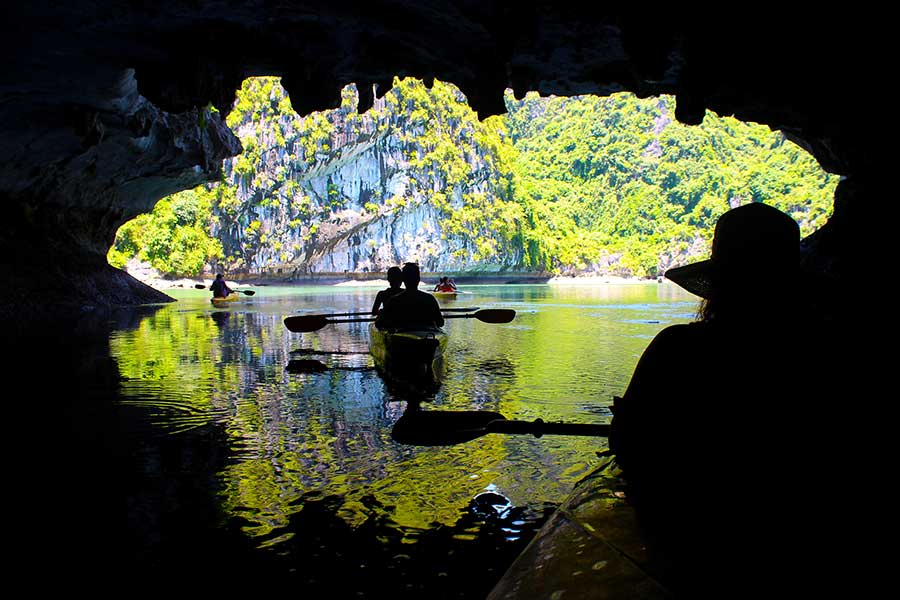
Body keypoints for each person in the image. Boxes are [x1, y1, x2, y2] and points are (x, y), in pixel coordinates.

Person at [608, 202, 849, 595]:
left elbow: (626, 443)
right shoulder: (826, 355)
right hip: (796, 547)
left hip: (695, 545)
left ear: (719, 283)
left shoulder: (678, 349)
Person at [375, 263, 445, 330]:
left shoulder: (394, 300)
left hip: (402, 338)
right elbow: (440, 323)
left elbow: (379, 324)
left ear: (403, 279)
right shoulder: (429, 298)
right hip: (427, 334)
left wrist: (381, 314)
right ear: (418, 278)